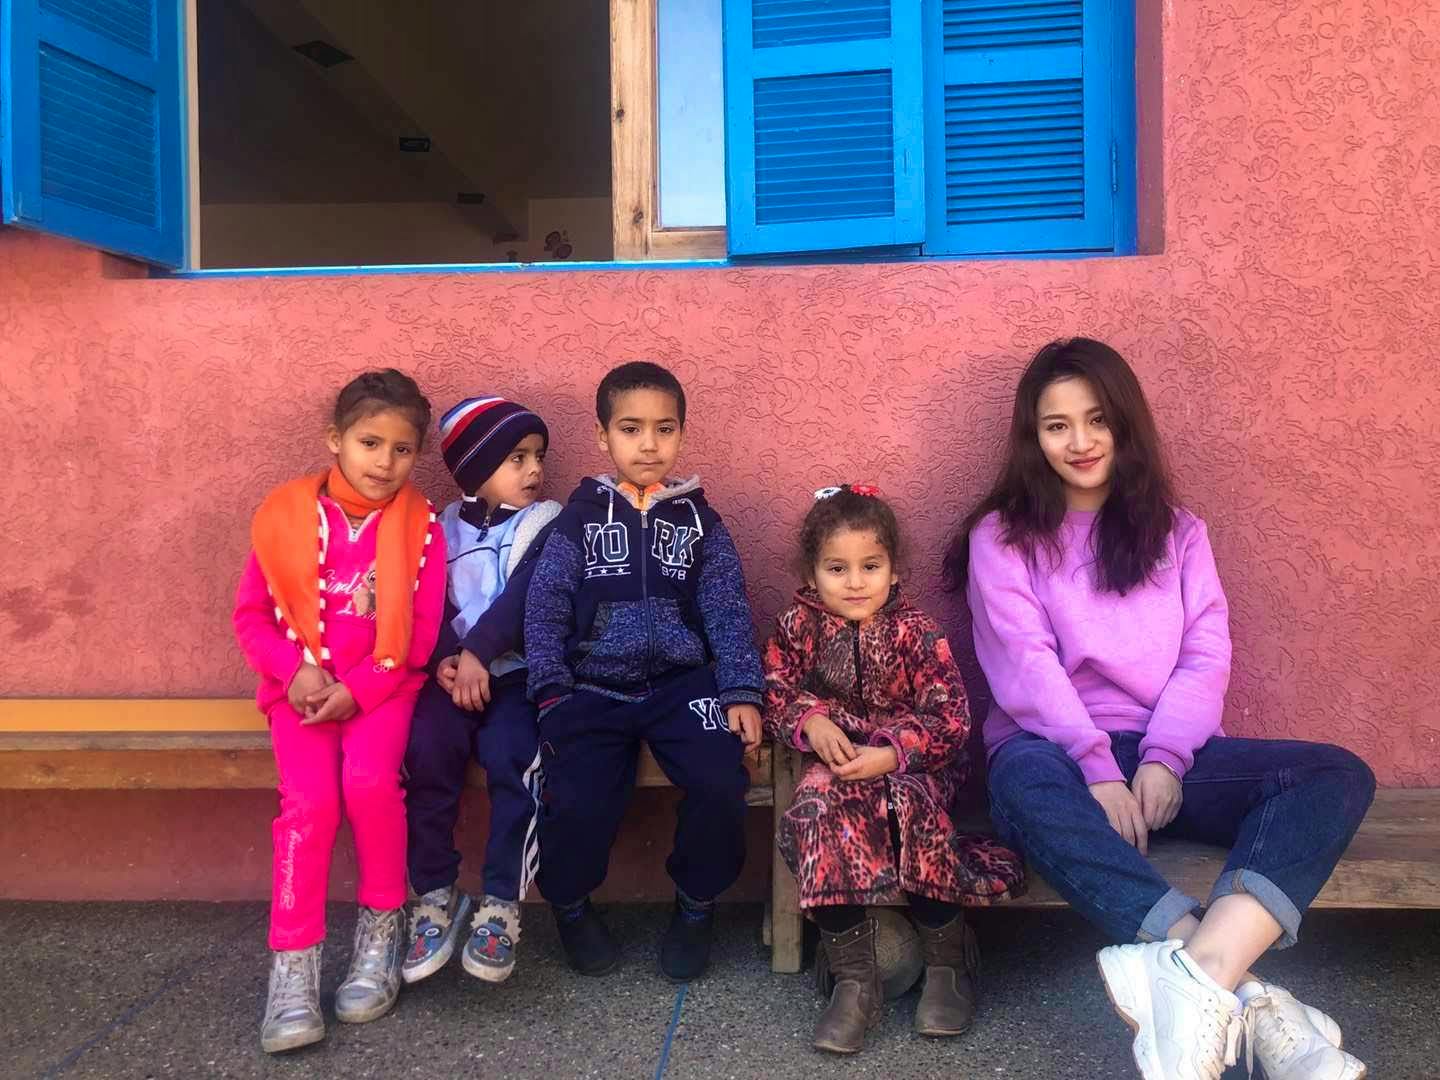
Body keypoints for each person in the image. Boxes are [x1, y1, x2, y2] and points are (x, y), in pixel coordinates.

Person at [949, 338, 1375, 1080]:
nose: (1080, 441)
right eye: (1056, 425)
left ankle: (1196, 973)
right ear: (1032, 436)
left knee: (1335, 774)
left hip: (1167, 753)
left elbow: (1205, 654)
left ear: (1125, 424)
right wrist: (1097, 769)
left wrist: (1165, 759)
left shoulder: (1179, 532)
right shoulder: (1004, 537)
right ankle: (1244, 993)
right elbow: (1026, 664)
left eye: (1097, 420)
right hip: (1054, 755)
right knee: (1019, 784)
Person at [525, 361, 764, 981]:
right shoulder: (577, 520)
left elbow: (728, 608)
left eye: (665, 429)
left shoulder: (701, 523)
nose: (649, 444)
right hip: (592, 688)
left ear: (682, 433)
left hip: (682, 687)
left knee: (720, 781)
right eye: (631, 429)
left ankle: (696, 903)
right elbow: (545, 605)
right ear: (604, 436)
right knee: (575, 799)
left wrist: (741, 690)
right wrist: (551, 690)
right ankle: (571, 905)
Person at [764, 485, 1024, 1055]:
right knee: (816, 809)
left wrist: (892, 751)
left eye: (871, 566)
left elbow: (951, 717)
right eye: (837, 568)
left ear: (894, 568)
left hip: (915, 764)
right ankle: (855, 981)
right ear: (811, 572)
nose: (855, 582)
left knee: (911, 806)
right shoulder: (797, 627)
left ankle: (947, 966)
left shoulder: (916, 632)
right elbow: (776, 690)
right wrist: (811, 722)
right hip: (836, 764)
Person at [233, 369, 446, 1053]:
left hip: (380, 691)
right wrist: (292, 670)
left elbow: (420, 634)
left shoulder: (422, 528)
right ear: (336, 439)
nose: (385, 462)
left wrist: (359, 687)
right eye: (369, 443)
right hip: (299, 694)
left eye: (403, 449)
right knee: (310, 805)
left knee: (369, 785)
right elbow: (251, 617)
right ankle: (294, 965)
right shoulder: (284, 518)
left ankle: (382, 934)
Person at [400, 396, 563, 986]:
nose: (534, 469)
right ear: (474, 469)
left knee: (512, 755)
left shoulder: (547, 522)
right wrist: (446, 657)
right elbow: (426, 600)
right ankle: (434, 894)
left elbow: (527, 596)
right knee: (426, 753)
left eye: (538, 456)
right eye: (517, 458)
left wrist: (478, 653)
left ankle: (500, 903)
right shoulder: (439, 528)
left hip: (514, 674)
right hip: (451, 676)